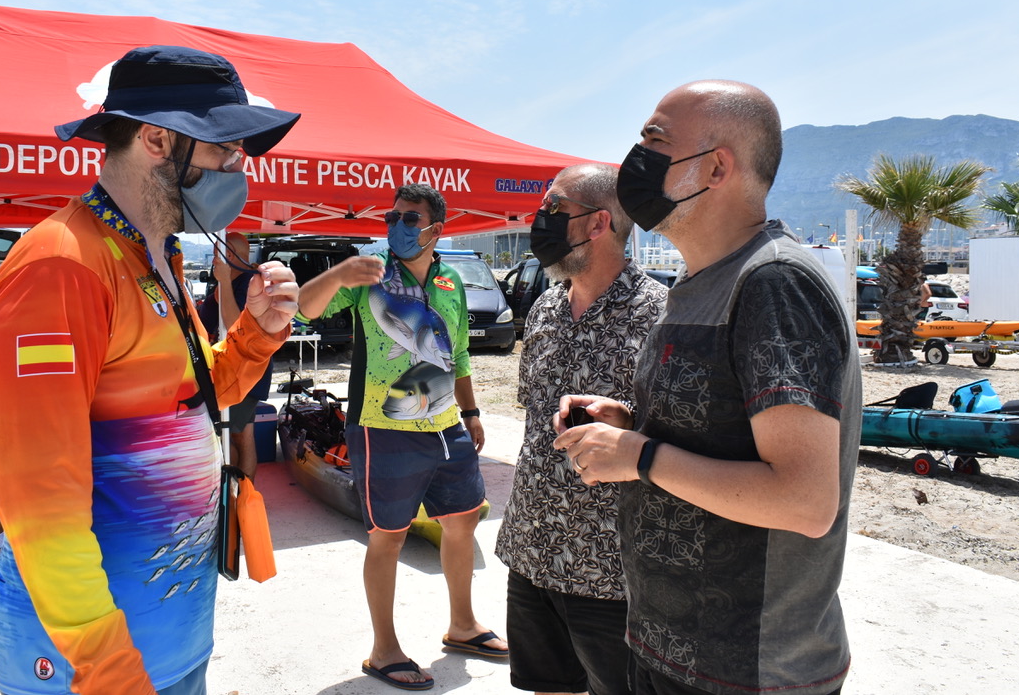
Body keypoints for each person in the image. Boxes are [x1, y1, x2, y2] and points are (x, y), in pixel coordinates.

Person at [0, 45, 301, 695]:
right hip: (90, 664)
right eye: (223, 151)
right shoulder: (61, 265)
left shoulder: (152, 256)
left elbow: (189, 399)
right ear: (157, 139)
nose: (236, 170)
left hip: (174, 638)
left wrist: (256, 336)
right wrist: (108, 668)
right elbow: (39, 502)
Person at [555, 81, 862, 695]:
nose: (634, 161)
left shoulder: (774, 283)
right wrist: (630, 427)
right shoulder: (701, 283)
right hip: (665, 649)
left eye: (654, 141)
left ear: (717, 167)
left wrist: (640, 456)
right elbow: (718, 432)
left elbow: (805, 501)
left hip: (745, 670)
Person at [297, 183, 505, 691]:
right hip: (382, 429)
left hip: (445, 426)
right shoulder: (368, 272)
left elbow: (456, 356)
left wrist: (472, 411)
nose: (399, 226)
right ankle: (383, 650)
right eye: (394, 216)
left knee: (461, 522)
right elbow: (304, 308)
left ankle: (462, 626)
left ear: (437, 228)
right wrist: (340, 271)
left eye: (411, 219)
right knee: (386, 538)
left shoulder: (453, 281)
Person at [495, 163, 666, 695]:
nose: (539, 220)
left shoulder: (662, 316)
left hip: (610, 570)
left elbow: (692, 439)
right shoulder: (545, 307)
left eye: (553, 209)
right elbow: (531, 417)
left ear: (597, 225)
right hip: (531, 548)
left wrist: (630, 424)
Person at [195, 230, 272, 480]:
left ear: (228, 254)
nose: (213, 259)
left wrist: (225, 282)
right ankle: (243, 495)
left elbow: (234, 326)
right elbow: (204, 321)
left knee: (230, 433)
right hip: (235, 369)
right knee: (242, 432)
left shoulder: (250, 283)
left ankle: (237, 494)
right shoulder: (229, 282)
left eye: (217, 253)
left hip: (245, 371)